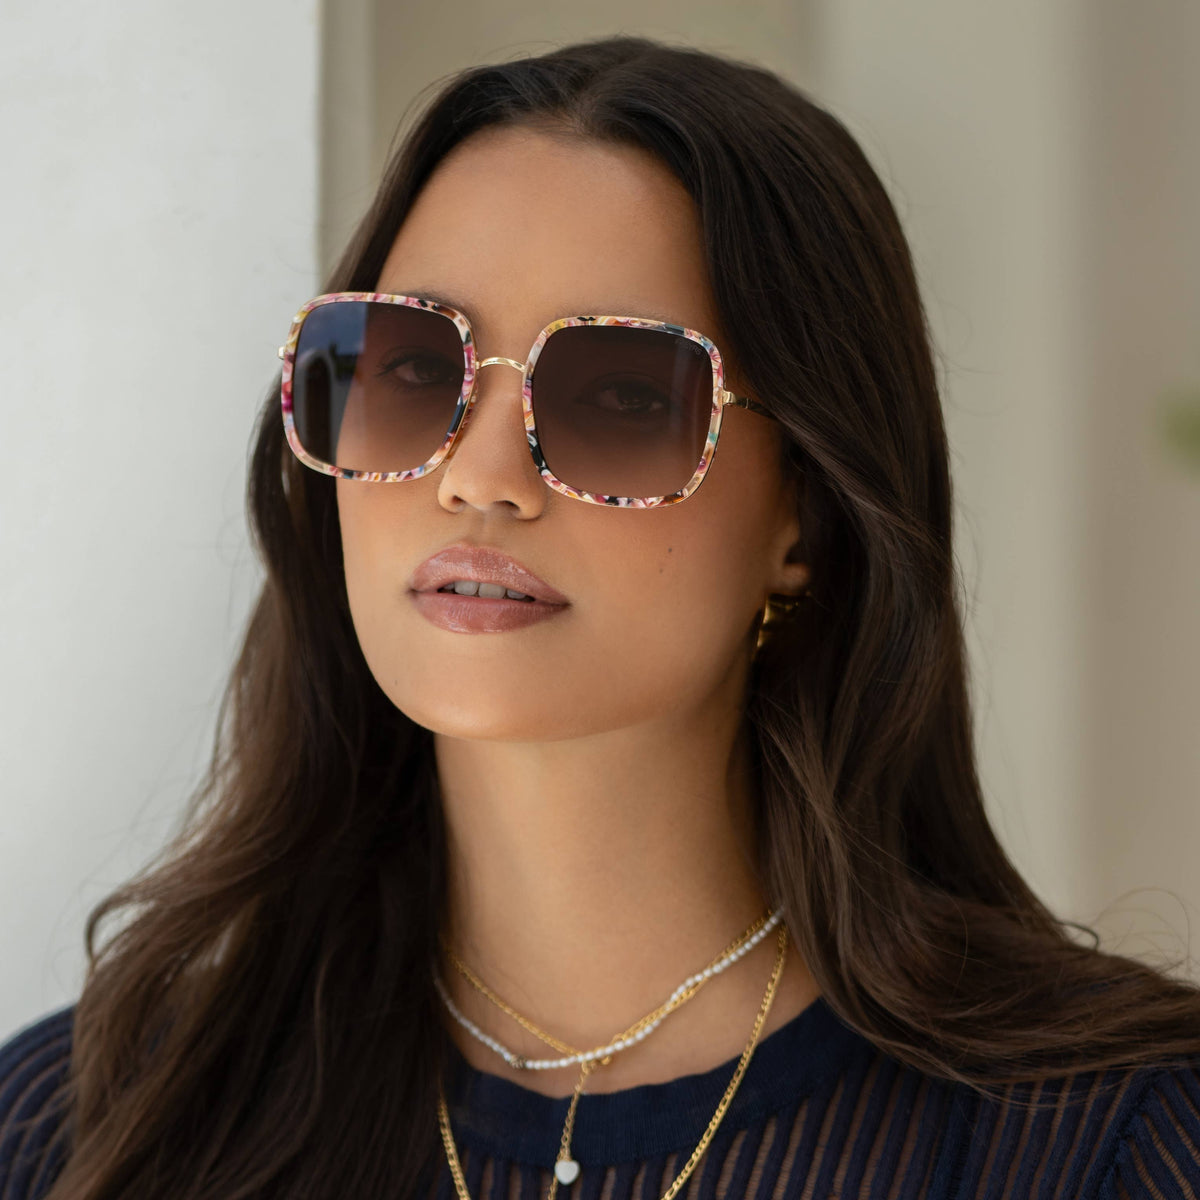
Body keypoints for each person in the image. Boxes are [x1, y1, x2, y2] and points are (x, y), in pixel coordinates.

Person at [2, 34, 1199, 1200]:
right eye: (413, 370)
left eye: (621, 393)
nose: (478, 476)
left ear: (807, 520)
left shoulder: (1106, 1144)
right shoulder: (94, 1127)